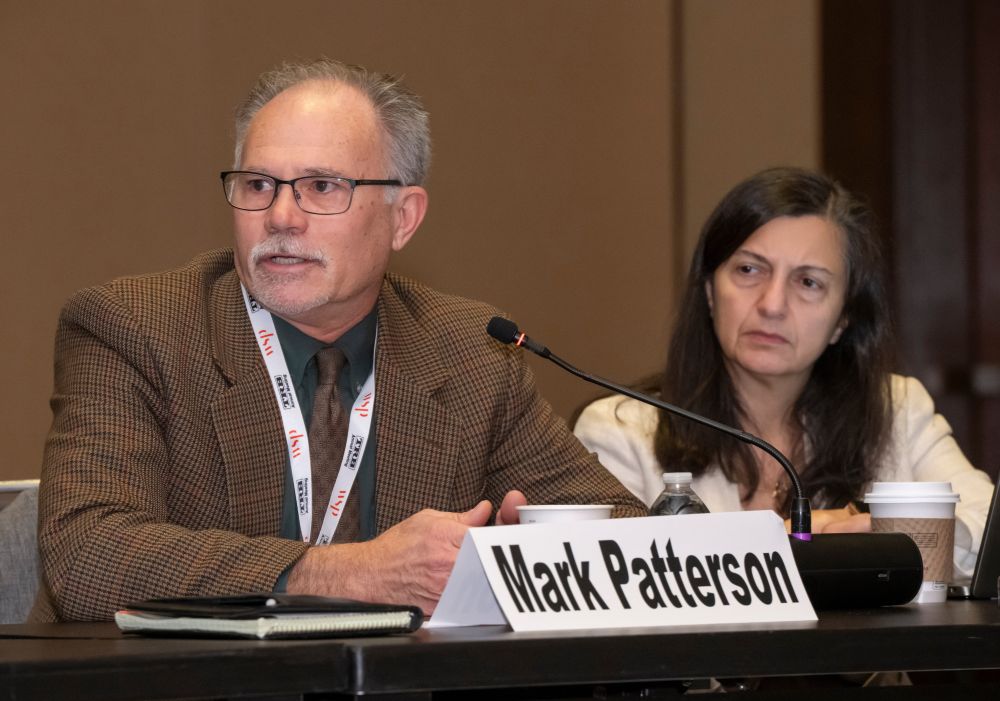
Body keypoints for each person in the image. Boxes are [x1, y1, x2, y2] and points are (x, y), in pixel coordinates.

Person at [34, 58, 644, 622]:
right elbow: (86, 555)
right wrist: (353, 572)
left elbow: (630, 537)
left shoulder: (472, 353)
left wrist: (529, 552)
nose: (280, 217)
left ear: (402, 217)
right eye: (257, 185)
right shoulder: (136, 329)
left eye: (322, 187)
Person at [574, 167, 993, 578]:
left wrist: (889, 532)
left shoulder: (899, 411)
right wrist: (792, 537)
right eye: (749, 270)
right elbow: (611, 580)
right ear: (709, 291)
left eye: (808, 282)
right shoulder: (621, 432)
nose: (772, 304)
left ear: (843, 319)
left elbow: (988, 528)